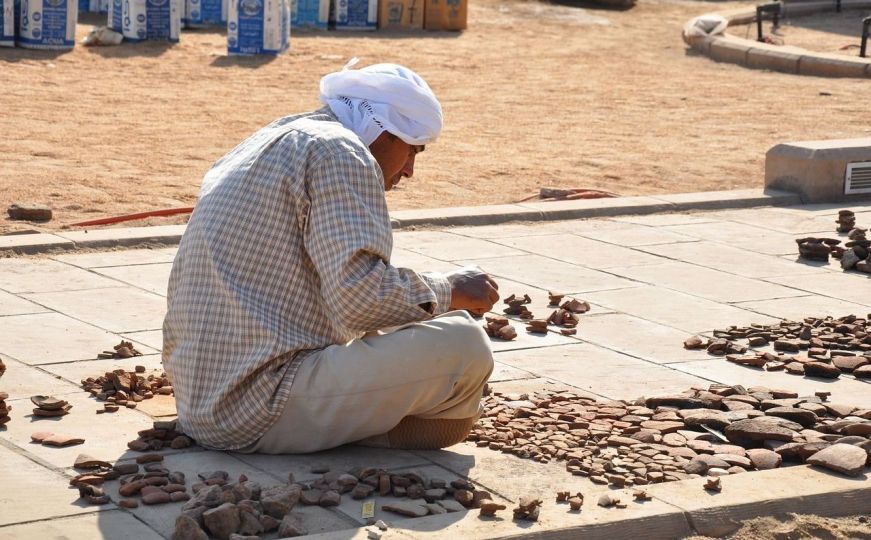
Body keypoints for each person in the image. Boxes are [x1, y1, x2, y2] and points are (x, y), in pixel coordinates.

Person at [163, 61, 499, 454]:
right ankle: (369, 432)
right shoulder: (342, 152)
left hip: (200, 396)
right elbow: (361, 300)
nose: (409, 170)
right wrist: (450, 289)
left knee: (418, 316)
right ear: (382, 130)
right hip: (255, 406)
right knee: (465, 344)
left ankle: (350, 421)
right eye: (412, 149)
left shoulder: (280, 134)